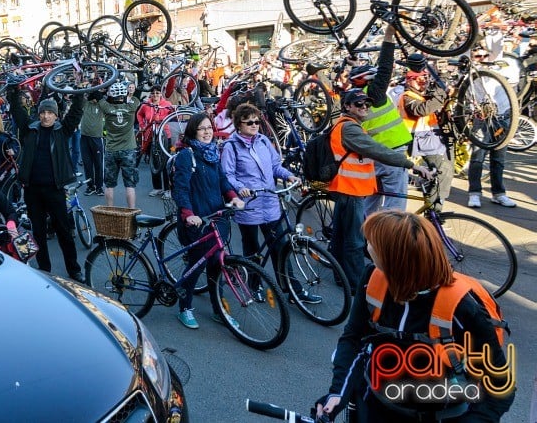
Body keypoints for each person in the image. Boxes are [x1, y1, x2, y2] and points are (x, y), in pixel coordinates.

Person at [317, 211, 514, 422]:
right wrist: (338, 392)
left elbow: (500, 386)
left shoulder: (462, 307)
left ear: (395, 262)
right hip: (374, 405)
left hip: (437, 416)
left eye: (373, 243)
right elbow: (354, 339)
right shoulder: (373, 279)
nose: (367, 246)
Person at [328, 88, 434, 290]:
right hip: (351, 190)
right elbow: (377, 150)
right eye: (359, 104)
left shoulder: (350, 126)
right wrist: (412, 165)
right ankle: (356, 283)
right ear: (347, 106)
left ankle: (341, 276)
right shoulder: (350, 129)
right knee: (354, 241)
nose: (365, 107)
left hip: (349, 188)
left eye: (367, 104)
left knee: (341, 237)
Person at [219, 104, 316, 302]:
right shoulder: (231, 146)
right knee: (253, 250)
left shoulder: (263, 141)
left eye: (257, 121)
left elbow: (274, 166)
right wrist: (240, 187)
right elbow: (227, 175)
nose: (255, 125)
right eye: (249, 122)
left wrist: (289, 176)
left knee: (280, 247)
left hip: (270, 202)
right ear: (239, 124)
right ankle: (255, 286)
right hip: (249, 204)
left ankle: (292, 290)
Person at [172, 112, 245, 329]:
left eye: (209, 128)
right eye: (201, 129)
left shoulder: (214, 152)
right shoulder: (187, 155)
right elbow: (181, 188)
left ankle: (218, 309)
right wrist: (188, 214)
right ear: (193, 131)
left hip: (217, 217)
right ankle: (184, 307)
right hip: (198, 219)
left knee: (216, 266)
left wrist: (234, 197)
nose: (206, 132)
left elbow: (222, 180)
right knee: (196, 266)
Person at [7, 88, 85, 283]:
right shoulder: (30, 129)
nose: (45, 116)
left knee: (64, 231)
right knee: (38, 233)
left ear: (56, 115)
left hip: (55, 189)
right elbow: (17, 111)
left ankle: (74, 269)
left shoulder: (62, 130)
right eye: (43, 112)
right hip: (32, 189)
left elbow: (76, 113)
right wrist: (12, 91)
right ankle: (44, 270)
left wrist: (79, 92)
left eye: (50, 112)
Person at [349, 25, 414, 215]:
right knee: (395, 204)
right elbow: (385, 67)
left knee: (371, 201)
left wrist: (353, 66)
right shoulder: (375, 94)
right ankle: (387, 238)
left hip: (371, 155)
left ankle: (365, 236)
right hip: (391, 152)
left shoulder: (354, 98)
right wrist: (388, 36)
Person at [466, 46, 518, 209]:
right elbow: (467, 94)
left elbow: (513, 78)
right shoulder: (471, 72)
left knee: (498, 159)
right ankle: (474, 193)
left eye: (484, 55)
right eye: (478, 56)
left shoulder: (506, 66)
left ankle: (498, 194)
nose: (481, 58)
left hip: (503, 117)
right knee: (477, 158)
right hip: (482, 118)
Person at [398, 60, 455, 203]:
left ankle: (434, 208)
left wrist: (443, 82)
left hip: (430, 138)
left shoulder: (424, 94)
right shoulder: (407, 96)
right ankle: (434, 212)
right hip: (420, 139)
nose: (422, 81)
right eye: (417, 79)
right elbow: (423, 109)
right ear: (409, 80)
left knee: (443, 171)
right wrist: (441, 93)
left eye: (424, 78)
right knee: (443, 171)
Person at [99, 80, 141, 209]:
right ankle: (132, 211)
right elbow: (136, 94)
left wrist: (104, 90)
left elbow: (98, 96)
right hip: (128, 149)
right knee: (130, 185)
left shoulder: (106, 107)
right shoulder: (131, 107)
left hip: (111, 149)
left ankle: (110, 210)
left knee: (109, 185)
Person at [136, 85, 174, 197]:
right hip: (152, 137)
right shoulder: (146, 104)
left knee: (166, 163)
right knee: (155, 162)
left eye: (158, 93)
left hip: (165, 136)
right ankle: (157, 188)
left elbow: (173, 115)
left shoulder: (167, 104)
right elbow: (139, 114)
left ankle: (168, 190)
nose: (155, 95)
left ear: (161, 94)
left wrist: (163, 117)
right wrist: (142, 125)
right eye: (153, 93)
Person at [80, 90, 105, 196]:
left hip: (97, 138)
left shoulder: (102, 105)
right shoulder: (86, 103)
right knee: (87, 163)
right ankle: (90, 186)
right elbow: (79, 96)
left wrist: (99, 97)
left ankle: (99, 187)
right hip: (84, 137)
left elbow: (107, 101)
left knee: (98, 164)